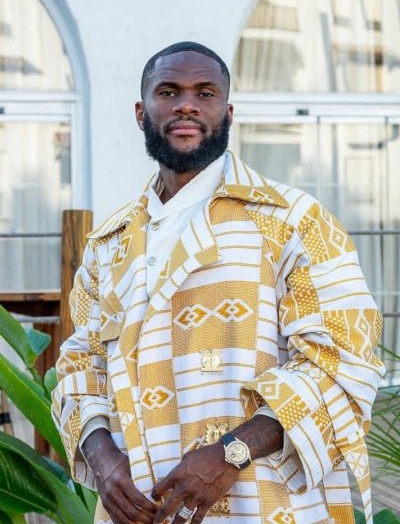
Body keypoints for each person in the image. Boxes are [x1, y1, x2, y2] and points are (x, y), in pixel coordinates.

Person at [52, 41, 385, 524]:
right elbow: (80, 365)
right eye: (169, 92)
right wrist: (102, 460)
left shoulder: (292, 220)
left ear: (227, 114)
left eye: (204, 93)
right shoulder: (109, 243)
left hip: (264, 503)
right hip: (141, 507)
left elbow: (342, 361)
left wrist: (229, 454)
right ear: (141, 113)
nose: (186, 105)